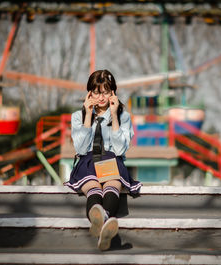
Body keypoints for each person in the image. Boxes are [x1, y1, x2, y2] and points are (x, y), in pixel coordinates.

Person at [64, 69, 141, 251]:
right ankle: (103, 221)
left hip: (111, 160)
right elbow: (81, 149)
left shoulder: (123, 116)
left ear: (113, 91)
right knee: (93, 187)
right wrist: (88, 115)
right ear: (90, 92)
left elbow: (121, 149)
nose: (101, 97)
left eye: (105, 91)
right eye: (97, 91)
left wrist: (114, 115)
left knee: (111, 183)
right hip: (88, 161)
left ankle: (102, 222)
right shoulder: (78, 116)